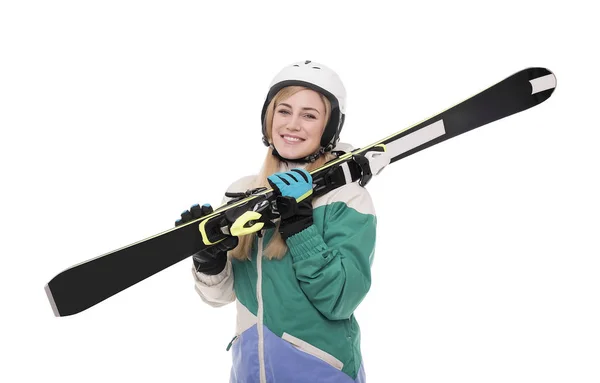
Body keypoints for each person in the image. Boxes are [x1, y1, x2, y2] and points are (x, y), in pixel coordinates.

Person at [176, 60, 377, 382]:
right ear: (268, 118)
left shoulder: (346, 199)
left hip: (321, 370)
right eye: (284, 111)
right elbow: (220, 296)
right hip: (250, 370)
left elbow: (341, 300)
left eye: (309, 115)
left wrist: (300, 227)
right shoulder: (241, 192)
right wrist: (209, 259)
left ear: (329, 127)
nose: (293, 124)